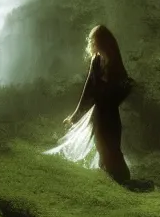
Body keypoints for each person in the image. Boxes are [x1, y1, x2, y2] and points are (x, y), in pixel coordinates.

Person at [63, 24, 153, 192]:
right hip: (99, 114)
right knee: (102, 148)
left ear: (101, 41)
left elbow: (123, 86)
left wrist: (110, 98)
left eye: (93, 40)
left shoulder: (114, 61)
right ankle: (111, 181)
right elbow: (88, 88)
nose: (91, 43)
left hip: (110, 114)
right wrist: (76, 114)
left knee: (112, 148)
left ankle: (122, 180)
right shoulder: (96, 60)